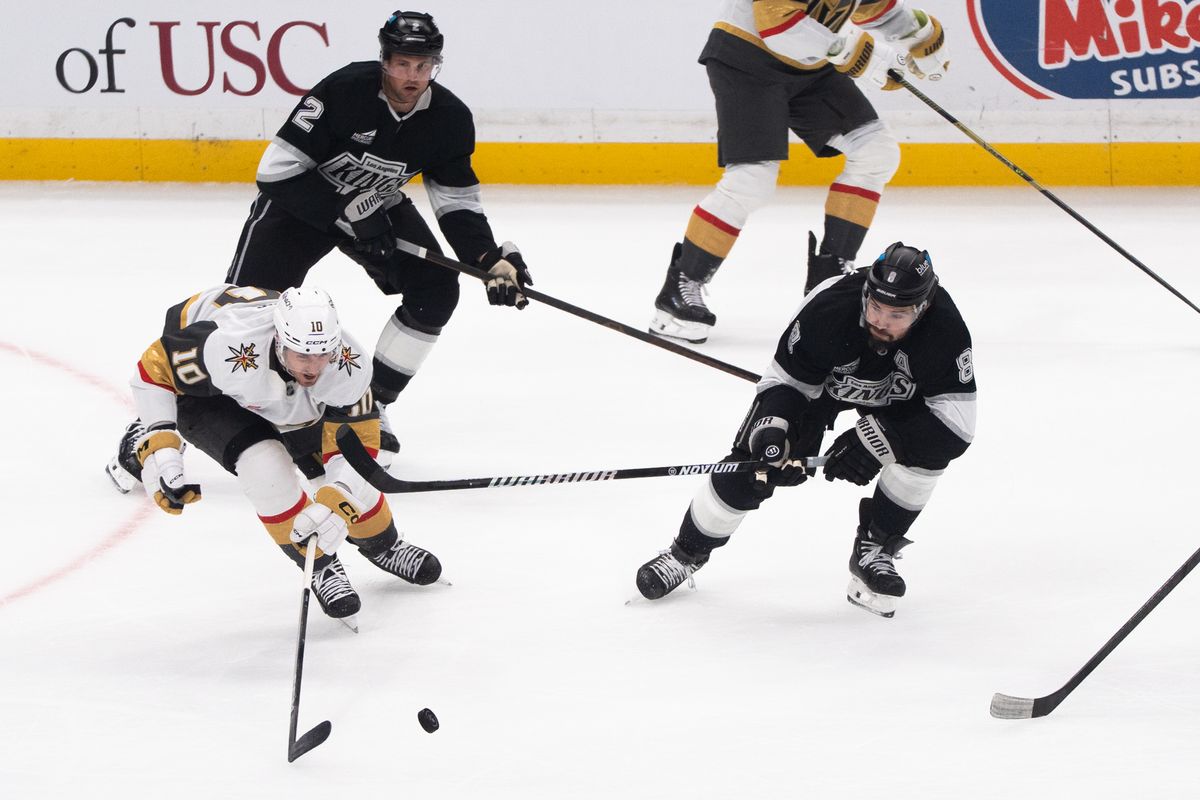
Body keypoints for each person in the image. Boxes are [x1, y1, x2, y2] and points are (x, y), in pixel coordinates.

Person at [226, 10, 532, 432]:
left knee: (436, 287)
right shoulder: (345, 89)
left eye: (424, 66)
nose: (412, 76)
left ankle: (365, 406)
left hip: (377, 206)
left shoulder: (449, 118)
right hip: (300, 204)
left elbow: (456, 198)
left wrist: (486, 256)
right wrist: (345, 213)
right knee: (242, 311)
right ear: (385, 60)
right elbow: (277, 170)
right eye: (403, 63)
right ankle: (169, 417)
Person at [636, 242, 975, 618]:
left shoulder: (944, 330)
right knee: (755, 465)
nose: (880, 320)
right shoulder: (830, 307)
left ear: (922, 308)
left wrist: (878, 442)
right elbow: (785, 382)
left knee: (928, 452)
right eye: (875, 306)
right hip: (820, 388)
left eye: (896, 315)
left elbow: (956, 425)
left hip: (901, 401)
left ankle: (876, 549)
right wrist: (773, 428)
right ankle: (684, 553)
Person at [105, 284, 442, 625]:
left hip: (273, 386)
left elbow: (356, 447)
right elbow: (153, 371)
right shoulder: (229, 346)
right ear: (280, 342)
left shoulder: (346, 363)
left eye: (323, 354)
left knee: (342, 482)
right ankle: (319, 565)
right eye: (304, 356)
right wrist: (160, 439)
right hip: (210, 388)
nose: (314, 367)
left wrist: (338, 495)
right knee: (265, 466)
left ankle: (384, 544)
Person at [648, 1, 950, 344]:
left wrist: (919, 34)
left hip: (810, 64)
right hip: (748, 57)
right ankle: (679, 291)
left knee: (875, 152)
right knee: (751, 181)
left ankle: (828, 282)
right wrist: (854, 51)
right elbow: (778, 24)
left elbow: (874, 7)